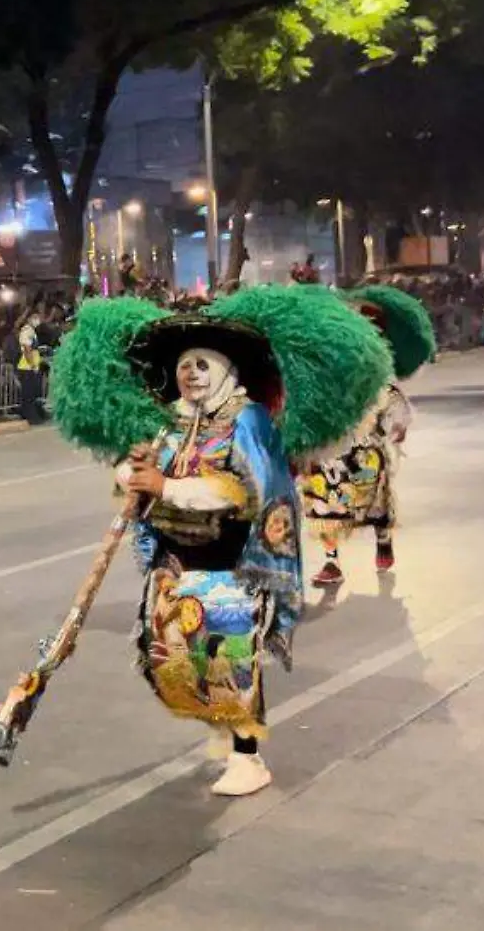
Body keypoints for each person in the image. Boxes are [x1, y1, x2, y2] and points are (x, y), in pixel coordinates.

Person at [48, 287, 390, 797]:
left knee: (230, 660)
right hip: (175, 562)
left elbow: (245, 490)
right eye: (186, 364)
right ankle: (227, 736)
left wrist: (165, 487)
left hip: (231, 561)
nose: (191, 373)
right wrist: (132, 471)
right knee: (172, 660)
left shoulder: (247, 419)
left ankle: (249, 757)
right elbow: (136, 479)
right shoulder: (171, 423)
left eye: (202, 363)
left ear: (226, 369)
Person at [303, 285, 433, 586]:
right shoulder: (328, 363)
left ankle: (383, 537)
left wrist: (396, 425)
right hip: (330, 446)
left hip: (367, 447)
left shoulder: (380, 368)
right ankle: (331, 562)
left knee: (375, 496)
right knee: (321, 498)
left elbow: (393, 398)